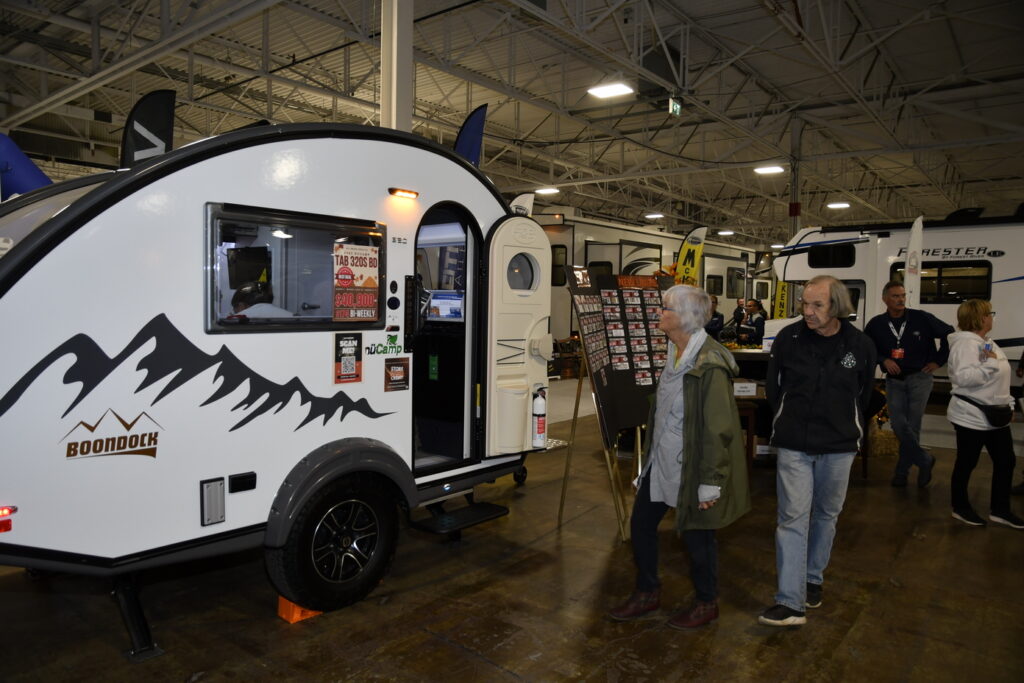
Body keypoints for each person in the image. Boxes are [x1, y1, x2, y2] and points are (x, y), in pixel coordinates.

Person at [608, 285, 751, 629]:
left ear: (684, 318)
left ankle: (707, 602)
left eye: (665, 308)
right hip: (663, 460)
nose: (659, 313)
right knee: (641, 524)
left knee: (698, 536)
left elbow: (718, 429)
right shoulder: (675, 351)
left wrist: (710, 483)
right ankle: (647, 592)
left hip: (694, 466)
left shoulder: (709, 364)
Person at [758, 275, 876, 627]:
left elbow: (865, 395)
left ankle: (812, 579)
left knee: (826, 515)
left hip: (839, 447)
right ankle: (790, 601)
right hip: (794, 443)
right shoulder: (788, 339)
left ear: (836, 305)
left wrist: (845, 426)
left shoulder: (861, 345)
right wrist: (789, 421)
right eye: (804, 304)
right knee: (792, 517)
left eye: (817, 305)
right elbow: (773, 387)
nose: (807, 312)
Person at [864, 281, 954, 488]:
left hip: (920, 378)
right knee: (897, 424)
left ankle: (901, 473)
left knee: (913, 427)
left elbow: (950, 333)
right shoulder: (876, 324)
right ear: (885, 299)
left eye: (903, 295)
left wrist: (938, 361)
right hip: (894, 381)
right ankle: (924, 460)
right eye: (895, 296)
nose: (901, 299)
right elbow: (867, 349)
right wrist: (883, 359)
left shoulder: (921, 318)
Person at [945, 300, 1023, 528]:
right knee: (967, 463)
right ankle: (960, 508)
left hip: (996, 415)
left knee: (1006, 462)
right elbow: (963, 379)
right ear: (980, 318)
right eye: (990, 314)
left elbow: (1001, 378)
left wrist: (1008, 404)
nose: (992, 317)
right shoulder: (965, 345)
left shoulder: (986, 342)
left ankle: (1000, 510)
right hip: (971, 416)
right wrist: (989, 366)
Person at [230, 281, 294, 318]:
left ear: (241, 306)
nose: (234, 313)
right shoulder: (294, 318)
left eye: (235, 310)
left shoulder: (234, 321)